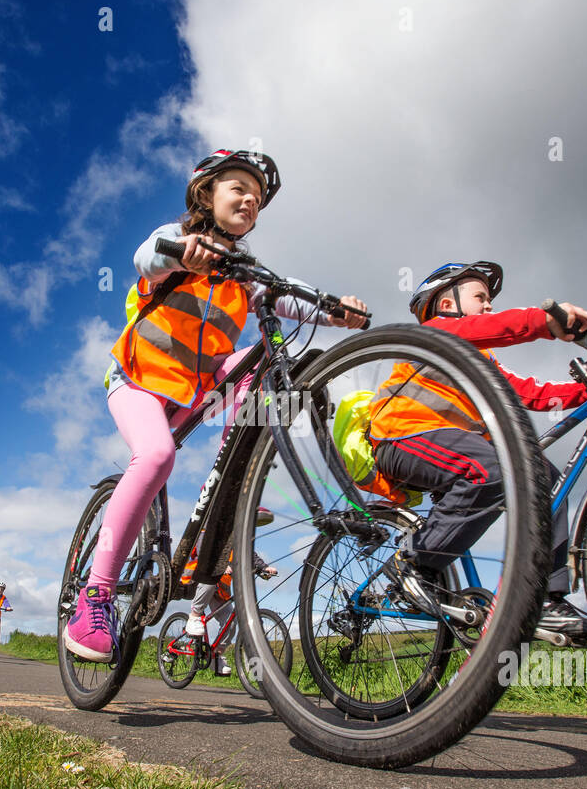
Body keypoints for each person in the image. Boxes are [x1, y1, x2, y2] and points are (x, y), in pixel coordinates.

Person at [63, 149, 369, 662]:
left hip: (199, 389)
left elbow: (289, 299)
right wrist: (182, 252)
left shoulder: (244, 274)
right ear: (206, 193)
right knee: (157, 457)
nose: (250, 199)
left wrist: (336, 309)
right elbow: (146, 257)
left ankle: (239, 475)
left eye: (258, 196)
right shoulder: (181, 242)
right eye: (238, 188)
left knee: (273, 360)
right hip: (137, 383)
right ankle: (94, 596)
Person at [370, 261, 587, 641]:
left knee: (545, 479)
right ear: (447, 303)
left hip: (454, 448)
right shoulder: (439, 333)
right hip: (402, 439)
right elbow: (487, 327)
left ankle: (546, 597)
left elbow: (533, 394)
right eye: (480, 297)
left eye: (489, 300)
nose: (488, 306)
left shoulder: (483, 359)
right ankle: (411, 564)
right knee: (493, 469)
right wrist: (543, 321)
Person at [182, 507, 278, 676]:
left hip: (221, 587)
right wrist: (220, 563)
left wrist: (263, 568)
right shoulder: (208, 526)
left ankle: (215, 655)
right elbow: (203, 547)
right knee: (209, 584)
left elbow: (249, 554)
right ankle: (195, 615)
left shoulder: (234, 535)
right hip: (201, 579)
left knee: (230, 621)